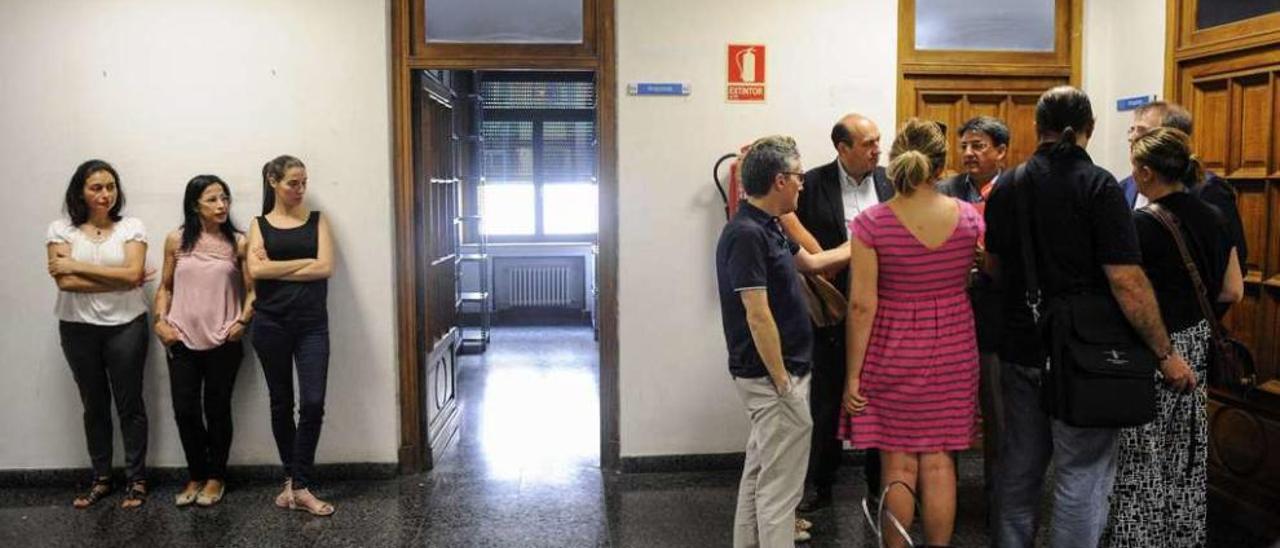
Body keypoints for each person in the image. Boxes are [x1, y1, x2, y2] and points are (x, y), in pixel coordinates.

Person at [984, 86, 1194, 547]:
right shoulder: (1099, 186)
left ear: (1036, 127)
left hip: (1021, 343)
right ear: (1088, 130)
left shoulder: (1008, 185)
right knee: (1081, 474)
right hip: (1083, 351)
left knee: (1019, 468)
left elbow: (994, 266)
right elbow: (1126, 280)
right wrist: (1164, 352)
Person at [839, 118, 984, 548]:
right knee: (940, 464)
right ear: (940, 166)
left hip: (892, 347)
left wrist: (852, 376)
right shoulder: (968, 217)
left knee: (898, 466)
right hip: (955, 348)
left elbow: (862, 305)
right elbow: (975, 274)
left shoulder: (872, 223)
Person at [1101, 128, 1243, 547]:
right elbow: (1232, 289)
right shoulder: (1216, 217)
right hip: (1197, 343)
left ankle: (1136, 539)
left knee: (1140, 458)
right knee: (1185, 458)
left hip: (1153, 350)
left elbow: (1128, 293)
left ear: (1145, 173)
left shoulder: (1140, 224)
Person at [715, 135, 851, 548]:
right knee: (781, 492)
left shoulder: (768, 225)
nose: (802, 184)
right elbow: (757, 314)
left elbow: (813, 262)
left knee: (759, 475)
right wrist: (782, 382)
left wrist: (867, 236)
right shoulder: (745, 235)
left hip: (781, 375)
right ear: (778, 180)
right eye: (797, 177)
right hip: (774, 378)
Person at [779, 113, 893, 513]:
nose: (877, 150)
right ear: (842, 149)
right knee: (826, 399)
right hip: (831, 304)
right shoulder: (811, 185)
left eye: (879, 141)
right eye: (868, 144)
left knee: (878, 396)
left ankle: (879, 484)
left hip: (882, 305)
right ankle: (820, 484)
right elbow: (798, 247)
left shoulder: (890, 183)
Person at [45, 160, 153, 509]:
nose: (105, 194)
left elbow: (133, 272)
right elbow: (65, 283)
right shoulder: (61, 229)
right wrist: (119, 276)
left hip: (126, 326)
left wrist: (76, 264)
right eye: (96, 187)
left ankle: (136, 480)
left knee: (130, 404)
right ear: (80, 191)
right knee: (94, 405)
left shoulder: (131, 227)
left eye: (110, 186)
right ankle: (102, 478)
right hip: (77, 329)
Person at [153, 175, 255, 507]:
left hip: (224, 340)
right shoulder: (175, 240)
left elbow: (253, 291)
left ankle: (216, 478)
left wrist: (242, 322)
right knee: (185, 409)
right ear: (195, 204)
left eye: (225, 198)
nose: (221, 205)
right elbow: (165, 287)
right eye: (212, 199)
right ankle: (195, 475)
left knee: (217, 408)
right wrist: (160, 322)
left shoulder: (239, 242)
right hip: (181, 338)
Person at [247, 155, 337, 516]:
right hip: (270, 324)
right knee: (281, 403)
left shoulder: (318, 221)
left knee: (313, 402)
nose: (300, 189)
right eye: (292, 183)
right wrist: (303, 264)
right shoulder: (258, 224)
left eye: (303, 182)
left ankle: (298, 485)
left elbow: (326, 267)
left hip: (312, 324)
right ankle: (294, 483)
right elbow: (255, 269)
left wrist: (275, 268)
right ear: (273, 181)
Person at [936, 115, 1009, 523]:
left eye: (978, 145)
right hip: (950, 318)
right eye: (964, 145)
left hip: (997, 319)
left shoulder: (1015, 191)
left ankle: (997, 493)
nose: (968, 153)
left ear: (1001, 151)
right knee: (949, 412)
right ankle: (945, 491)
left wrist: (993, 263)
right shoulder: (946, 191)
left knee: (998, 413)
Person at [1120, 101, 1249, 304]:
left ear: (1171, 136)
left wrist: (1198, 318)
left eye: (1142, 131)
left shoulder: (1209, 189)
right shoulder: (1124, 187)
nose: (1132, 137)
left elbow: (1231, 275)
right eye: (1132, 129)